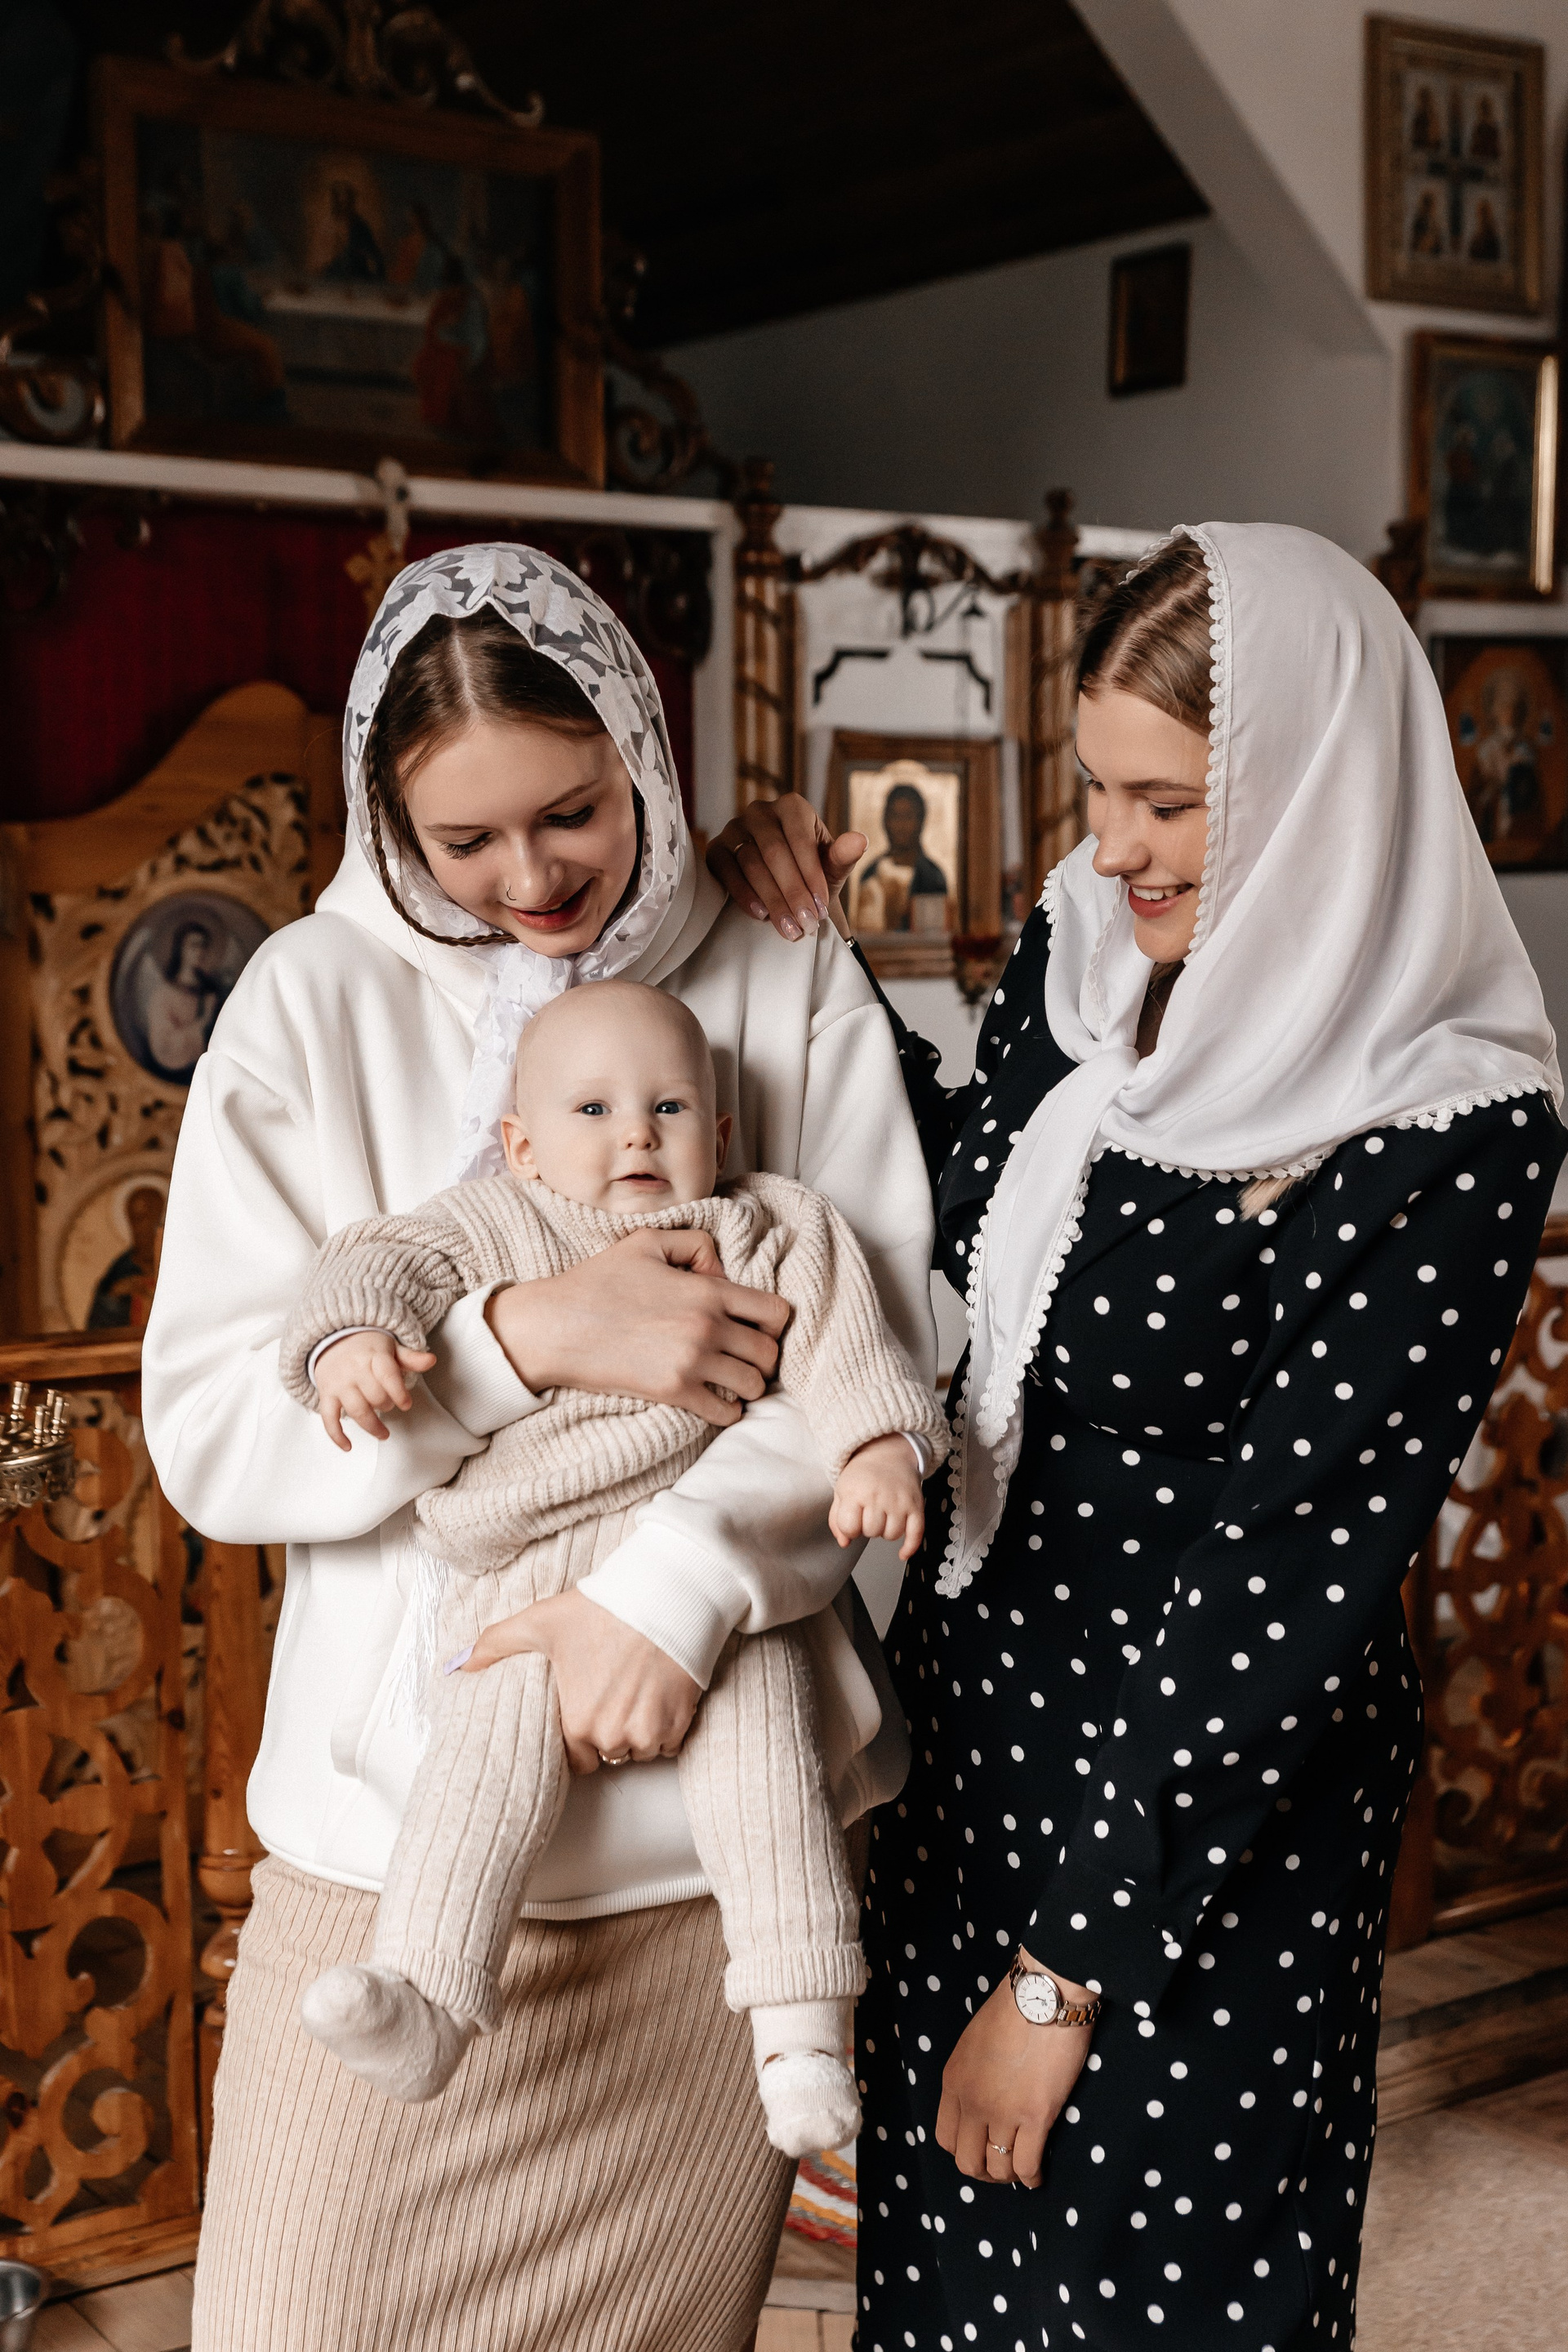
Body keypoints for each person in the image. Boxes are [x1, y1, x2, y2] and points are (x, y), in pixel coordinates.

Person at [706, 522, 1565, 2348]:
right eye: (1098, 791)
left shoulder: (1452, 1123)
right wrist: (807, 949)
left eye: (1169, 804)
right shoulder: (1087, 959)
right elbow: (959, 1193)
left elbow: (1289, 1581)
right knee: (947, 2289)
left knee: (1146, 2301)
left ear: (1314, 795)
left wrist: (1060, 1978)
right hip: (978, 1733)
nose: (1113, 846)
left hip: (1203, 1810)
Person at [142, 543, 937, 2352]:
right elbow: (214, 1434)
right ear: (390, 823)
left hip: (714, 1875)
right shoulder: (307, 1000)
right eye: (465, 840)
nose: (531, 879)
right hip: (391, 1859)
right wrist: (515, 1347)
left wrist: (670, 1593)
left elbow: (872, 1342)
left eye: (572, 813)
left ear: (644, 751)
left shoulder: (776, 957)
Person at [278, 978, 947, 2151]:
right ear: (521, 1144)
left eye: (669, 1107)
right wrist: (350, 1342)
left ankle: (801, 2029)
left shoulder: (771, 1225)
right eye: (592, 1110)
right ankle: (428, 1991)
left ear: (721, 1132)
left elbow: (850, 1346)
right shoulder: (491, 1222)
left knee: (769, 1763)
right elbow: (374, 1261)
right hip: (527, 1571)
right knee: (479, 1752)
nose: (636, 1134)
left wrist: (880, 1445)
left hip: (718, 1588)